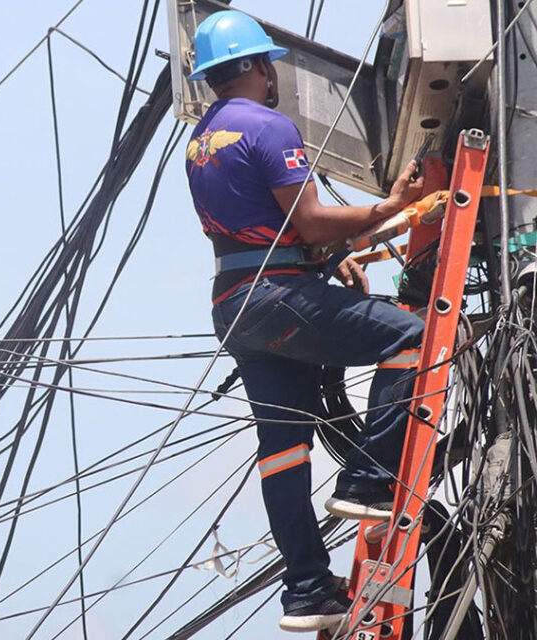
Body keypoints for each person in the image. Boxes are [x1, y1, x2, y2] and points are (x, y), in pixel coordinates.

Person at [184, 10, 426, 633]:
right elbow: (313, 221)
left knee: (283, 453)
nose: (273, 78)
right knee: (412, 336)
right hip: (276, 294)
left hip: (235, 304)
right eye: (269, 68)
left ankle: (309, 593)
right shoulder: (269, 125)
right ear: (257, 67)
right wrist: (391, 208)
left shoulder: (203, 140)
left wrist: (331, 256)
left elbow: (265, 229)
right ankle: (371, 478)